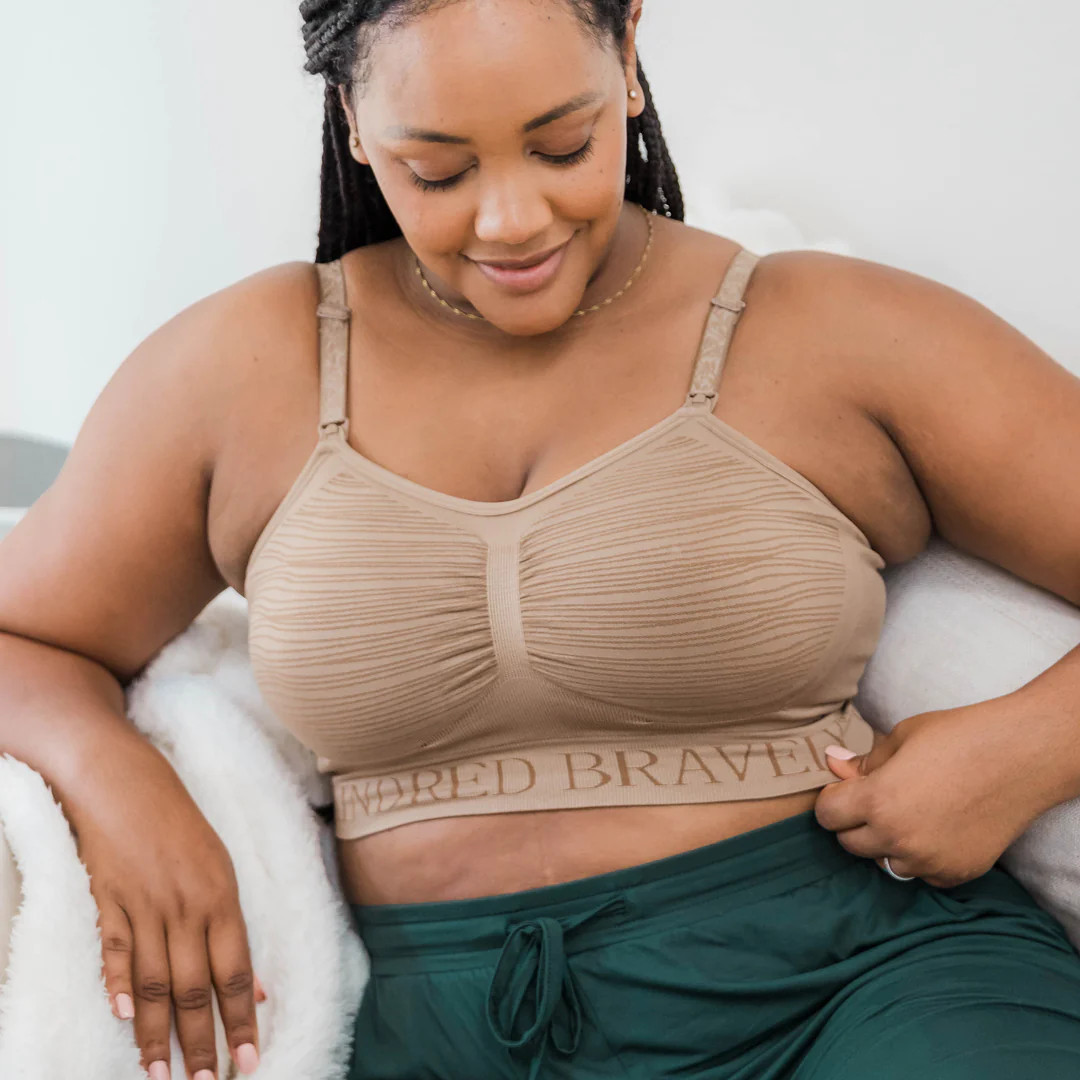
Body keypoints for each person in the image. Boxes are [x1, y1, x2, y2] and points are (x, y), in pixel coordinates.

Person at [2, 0, 1080, 1077]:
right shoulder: (240, 373)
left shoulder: (831, 331)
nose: (512, 219)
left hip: (864, 989)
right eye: (438, 171)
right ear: (353, 121)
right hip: (455, 1037)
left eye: (563, 145)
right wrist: (124, 792)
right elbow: (24, 637)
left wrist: (1026, 748)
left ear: (628, 55)